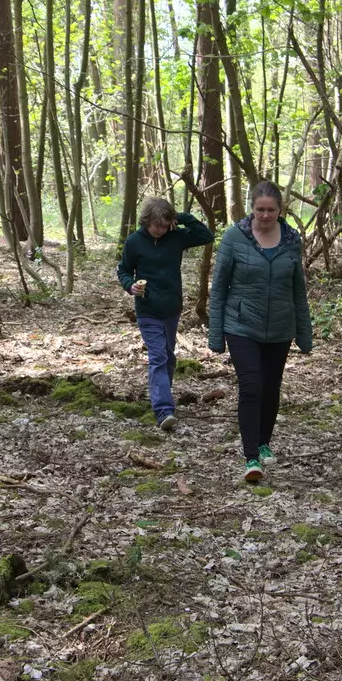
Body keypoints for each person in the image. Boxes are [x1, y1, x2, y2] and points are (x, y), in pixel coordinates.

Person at [208, 180, 312, 483]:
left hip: (281, 327)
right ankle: (251, 456)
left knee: (270, 387)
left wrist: (304, 335)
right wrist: (216, 335)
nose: (265, 215)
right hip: (241, 325)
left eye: (271, 210)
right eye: (259, 209)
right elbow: (219, 289)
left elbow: (298, 290)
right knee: (251, 385)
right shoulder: (233, 238)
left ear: (280, 210)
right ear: (251, 208)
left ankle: (265, 441)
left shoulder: (292, 240)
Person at [116, 197, 214, 432]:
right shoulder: (134, 242)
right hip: (147, 309)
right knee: (158, 357)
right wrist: (131, 286)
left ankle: (163, 396)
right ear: (147, 220)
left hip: (171, 308)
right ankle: (163, 410)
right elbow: (124, 270)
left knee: (169, 357)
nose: (160, 230)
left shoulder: (176, 237)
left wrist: (181, 217)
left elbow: (206, 235)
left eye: (164, 225)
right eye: (156, 225)